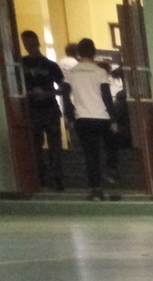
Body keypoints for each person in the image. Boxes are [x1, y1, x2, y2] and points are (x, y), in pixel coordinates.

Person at [64, 40, 118, 201]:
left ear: (78, 53)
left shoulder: (71, 73)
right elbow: (106, 97)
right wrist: (113, 119)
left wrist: (70, 116)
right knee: (110, 145)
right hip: (102, 117)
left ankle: (96, 188)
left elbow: (65, 96)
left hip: (83, 118)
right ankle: (111, 169)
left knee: (90, 154)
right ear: (94, 52)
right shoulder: (99, 72)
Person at [19, 31, 67, 192]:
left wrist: (46, 94)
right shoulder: (21, 64)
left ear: (38, 43)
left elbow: (63, 88)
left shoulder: (50, 65)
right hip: (31, 110)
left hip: (49, 109)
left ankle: (57, 179)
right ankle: (40, 178)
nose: (30, 47)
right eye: (27, 45)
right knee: (35, 147)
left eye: (32, 44)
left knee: (55, 147)